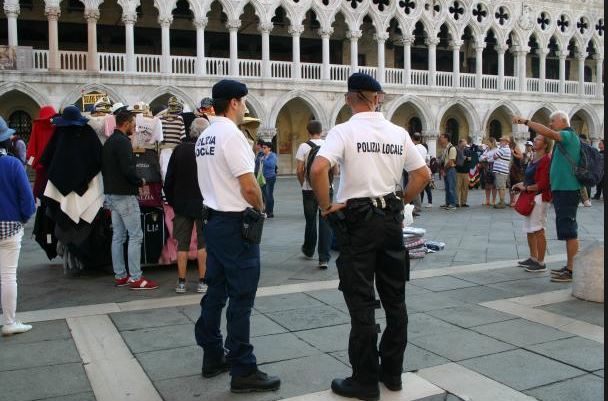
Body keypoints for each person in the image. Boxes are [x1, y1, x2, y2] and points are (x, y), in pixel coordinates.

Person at [310, 73, 430, 400]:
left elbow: (318, 169)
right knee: (395, 299)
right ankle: (392, 374)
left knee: (361, 300)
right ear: (378, 98)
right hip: (390, 218)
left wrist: (326, 206)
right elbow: (423, 174)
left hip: (358, 221)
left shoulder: (345, 131)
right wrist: (401, 202)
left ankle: (364, 378)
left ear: (351, 98)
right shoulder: (398, 133)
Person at [194, 79, 280, 393]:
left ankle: (212, 353)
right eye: (244, 102)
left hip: (213, 221)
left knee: (215, 290)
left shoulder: (206, 135)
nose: (245, 108)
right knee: (241, 297)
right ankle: (243, 367)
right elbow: (248, 185)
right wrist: (261, 208)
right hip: (234, 225)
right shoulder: (231, 134)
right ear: (233, 102)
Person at [512, 111, 580, 282]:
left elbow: (550, 134)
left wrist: (526, 121)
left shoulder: (568, 135)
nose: (550, 124)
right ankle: (568, 267)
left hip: (567, 189)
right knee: (566, 230)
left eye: (552, 121)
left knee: (569, 231)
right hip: (561, 190)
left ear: (563, 121)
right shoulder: (561, 140)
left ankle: (571, 270)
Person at [102, 110, 159, 290]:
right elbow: (127, 169)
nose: (134, 128)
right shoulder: (123, 143)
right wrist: (139, 180)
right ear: (126, 123)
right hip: (125, 194)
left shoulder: (109, 141)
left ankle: (120, 275)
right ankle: (136, 277)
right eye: (133, 124)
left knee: (118, 236)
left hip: (111, 193)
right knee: (135, 235)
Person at [164, 117, 209, 294]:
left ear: (190, 130)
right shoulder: (205, 150)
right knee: (202, 244)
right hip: (202, 203)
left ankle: (181, 282)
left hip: (182, 203)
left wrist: (174, 202)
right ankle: (202, 281)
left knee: (181, 244)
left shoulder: (178, 150)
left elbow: (168, 180)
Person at [0, 118, 36, 336]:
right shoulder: (13, 164)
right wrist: (22, 219)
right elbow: (27, 201)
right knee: (8, 275)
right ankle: (9, 322)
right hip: (10, 225)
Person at [512, 135, 553, 272]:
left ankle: (541, 262)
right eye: (535, 139)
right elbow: (529, 178)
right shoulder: (533, 158)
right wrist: (521, 184)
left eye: (539, 140)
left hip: (540, 198)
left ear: (546, 144)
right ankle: (533, 257)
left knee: (538, 229)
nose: (534, 141)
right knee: (529, 228)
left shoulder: (546, 160)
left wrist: (527, 188)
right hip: (531, 197)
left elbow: (544, 183)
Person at [295, 120, 332, 269]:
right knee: (325, 221)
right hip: (327, 188)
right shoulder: (328, 145)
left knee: (310, 221)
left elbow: (299, 169)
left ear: (308, 131)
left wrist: (303, 183)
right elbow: (335, 170)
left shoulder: (303, 146)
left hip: (309, 190)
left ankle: (309, 250)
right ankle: (324, 258)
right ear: (321, 131)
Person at [411, 132, 428, 213]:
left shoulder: (413, 148)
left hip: (414, 170)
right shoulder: (423, 148)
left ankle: (417, 206)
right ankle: (417, 205)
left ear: (412, 138)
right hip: (422, 169)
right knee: (418, 189)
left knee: (414, 189)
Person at [438, 133, 457, 210]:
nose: (440, 139)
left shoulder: (451, 148)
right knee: (447, 187)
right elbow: (443, 160)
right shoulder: (446, 148)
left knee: (451, 187)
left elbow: (451, 161)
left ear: (446, 139)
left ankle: (452, 204)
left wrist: (444, 170)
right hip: (446, 169)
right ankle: (448, 203)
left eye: (442, 138)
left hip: (450, 169)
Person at [492, 136, 511, 209]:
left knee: (501, 187)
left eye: (502, 141)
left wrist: (496, 154)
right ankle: (501, 200)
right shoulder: (503, 149)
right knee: (500, 186)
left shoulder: (504, 149)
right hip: (501, 170)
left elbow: (494, 156)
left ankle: (502, 202)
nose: (500, 142)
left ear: (506, 142)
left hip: (501, 170)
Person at [261, 141, 278, 218]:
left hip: (270, 177)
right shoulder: (263, 155)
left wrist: (263, 160)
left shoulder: (273, 156)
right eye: (263, 148)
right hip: (263, 178)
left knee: (269, 194)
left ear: (269, 148)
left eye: (264, 148)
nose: (263, 149)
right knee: (264, 195)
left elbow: (271, 165)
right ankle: (266, 209)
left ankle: (270, 212)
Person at [480, 138, 498, 206]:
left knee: (494, 185)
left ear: (492, 143)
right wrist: (485, 158)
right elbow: (481, 157)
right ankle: (487, 200)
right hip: (486, 168)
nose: (487, 144)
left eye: (488, 143)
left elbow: (494, 158)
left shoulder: (497, 150)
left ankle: (493, 200)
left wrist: (487, 158)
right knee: (487, 184)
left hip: (494, 168)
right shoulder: (487, 150)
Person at [455, 137, 471, 207]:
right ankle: (457, 202)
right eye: (463, 145)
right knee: (457, 188)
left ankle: (463, 202)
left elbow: (470, 158)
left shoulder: (467, 150)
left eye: (465, 145)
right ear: (459, 143)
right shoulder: (456, 149)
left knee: (465, 188)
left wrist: (466, 158)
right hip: (458, 171)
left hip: (466, 172)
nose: (464, 146)